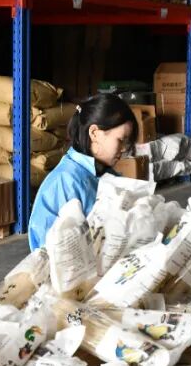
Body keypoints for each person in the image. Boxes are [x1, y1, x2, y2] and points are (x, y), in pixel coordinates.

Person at [28, 93, 136, 250]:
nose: (124, 148)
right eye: (121, 140)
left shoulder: (105, 174)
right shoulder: (66, 183)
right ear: (94, 133)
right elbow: (53, 253)